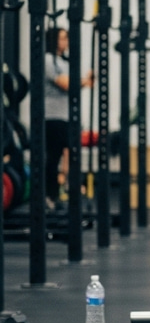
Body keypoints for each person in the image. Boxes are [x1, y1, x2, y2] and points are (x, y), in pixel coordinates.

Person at [44, 26, 93, 206]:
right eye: (62, 38)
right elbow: (65, 84)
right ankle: (50, 195)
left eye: (66, 37)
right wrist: (85, 81)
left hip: (67, 116)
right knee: (54, 156)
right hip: (52, 116)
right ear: (53, 40)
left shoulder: (64, 61)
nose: (66, 41)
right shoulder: (48, 60)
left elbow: (74, 83)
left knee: (71, 153)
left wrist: (84, 81)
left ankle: (69, 188)